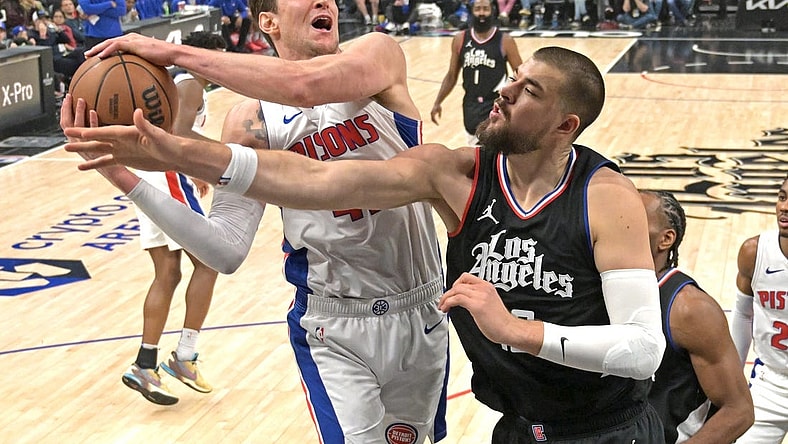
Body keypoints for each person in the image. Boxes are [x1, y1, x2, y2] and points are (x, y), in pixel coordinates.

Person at [65, 46, 666, 442]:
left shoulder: (604, 195)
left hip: (603, 425)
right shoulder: (454, 173)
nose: (506, 92)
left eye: (529, 89)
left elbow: (643, 351)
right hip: (502, 411)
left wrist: (514, 331)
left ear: (566, 125)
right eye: (513, 80)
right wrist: (158, 152)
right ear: (269, 20)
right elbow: (311, 179)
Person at [65, 1, 450, 441]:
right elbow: (224, 249)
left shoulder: (377, 55)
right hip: (334, 326)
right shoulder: (251, 121)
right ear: (268, 22)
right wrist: (121, 175)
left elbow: (306, 85)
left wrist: (173, 53)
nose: (325, 1)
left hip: (421, 308)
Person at [119, 31, 226, 406]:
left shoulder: (172, 82)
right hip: (167, 173)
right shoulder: (192, 84)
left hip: (147, 172)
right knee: (211, 260)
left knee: (168, 273)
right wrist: (212, 161)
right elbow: (177, 134)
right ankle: (185, 357)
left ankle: (144, 365)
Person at [640, 190, 754, 443]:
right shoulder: (594, 287)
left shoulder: (690, 309)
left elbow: (739, 411)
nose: (619, 226)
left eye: (633, 221)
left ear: (665, 239)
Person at [730, 174, 788, 443]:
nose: (784, 207)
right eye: (782, 197)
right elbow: (742, 314)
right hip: (769, 383)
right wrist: (733, 378)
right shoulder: (755, 252)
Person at [430, 0, 521, 145]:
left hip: (495, 103)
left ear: (492, 11)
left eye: (485, 9)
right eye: (478, 9)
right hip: (470, 105)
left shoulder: (505, 40)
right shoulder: (460, 39)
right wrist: (438, 102)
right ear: (472, 11)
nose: (482, 13)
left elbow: (521, 76)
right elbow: (451, 75)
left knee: (494, 152)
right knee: (475, 152)